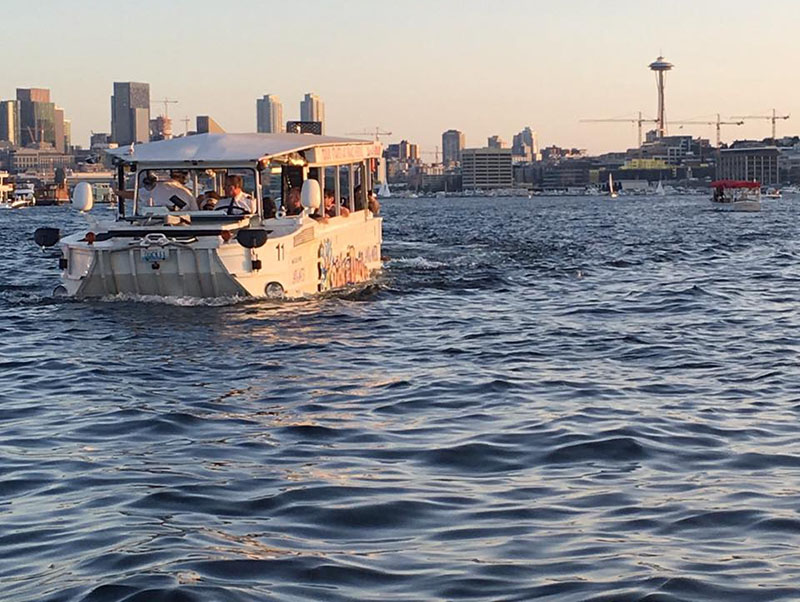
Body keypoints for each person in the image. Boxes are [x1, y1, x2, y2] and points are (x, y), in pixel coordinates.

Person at [117, 170, 198, 211]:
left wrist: (116, 192)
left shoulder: (156, 186)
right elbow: (195, 212)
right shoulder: (188, 193)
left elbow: (134, 195)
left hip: (158, 221)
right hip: (183, 224)